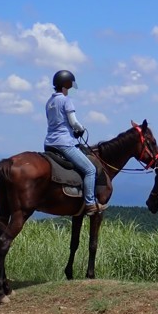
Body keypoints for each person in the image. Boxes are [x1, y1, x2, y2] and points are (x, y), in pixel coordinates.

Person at [44, 70, 102, 215]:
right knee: (90, 170)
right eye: (70, 86)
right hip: (64, 143)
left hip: (49, 143)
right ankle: (90, 203)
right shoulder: (66, 100)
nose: (70, 89)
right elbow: (73, 122)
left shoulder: (49, 102)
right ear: (66, 84)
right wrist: (80, 129)